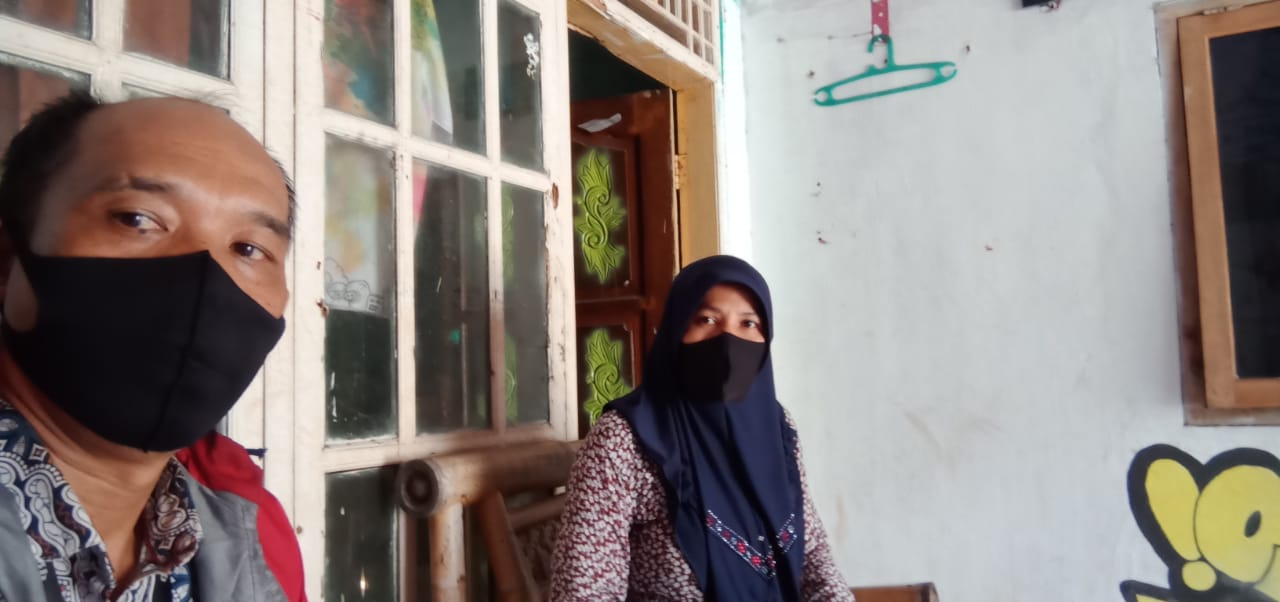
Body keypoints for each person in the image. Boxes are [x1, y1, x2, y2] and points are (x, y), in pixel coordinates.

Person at [0, 92, 305, 601]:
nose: (206, 278)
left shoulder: (253, 538)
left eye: (249, 248)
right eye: (137, 219)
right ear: (8, 261)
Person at [551, 255, 854, 601]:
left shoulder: (777, 429)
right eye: (707, 319)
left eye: (748, 323)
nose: (727, 340)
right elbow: (583, 590)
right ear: (676, 329)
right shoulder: (625, 438)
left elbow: (814, 557)